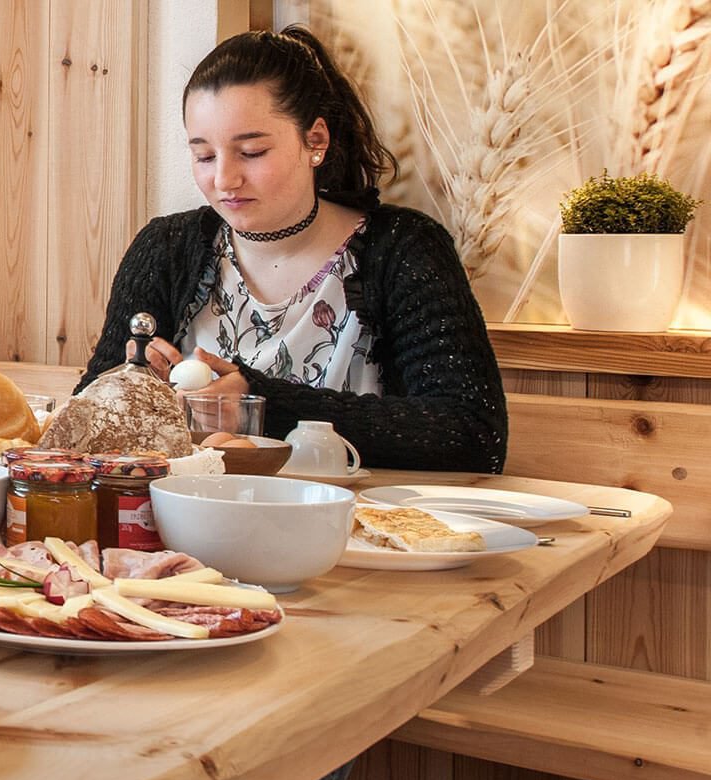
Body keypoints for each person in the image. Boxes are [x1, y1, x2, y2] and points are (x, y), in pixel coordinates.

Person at [80, 25, 506, 475]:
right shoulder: (166, 248)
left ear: (315, 141)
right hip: (194, 525)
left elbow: (472, 436)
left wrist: (261, 403)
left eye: (252, 151)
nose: (224, 179)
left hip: (359, 528)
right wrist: (132, 388)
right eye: (204, 157)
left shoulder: (404, 250)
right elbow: (85, 419)